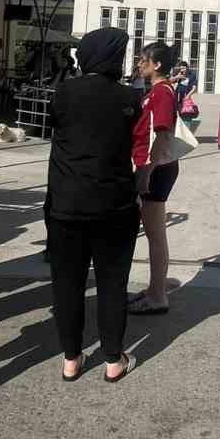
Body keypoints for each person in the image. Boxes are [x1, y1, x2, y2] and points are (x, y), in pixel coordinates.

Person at [46, 28, 142, 383]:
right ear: (114, 58)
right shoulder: (129, 97)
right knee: (112, 281)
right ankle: (113, 360)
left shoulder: (63, 93)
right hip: (114, 205)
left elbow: (55, 127)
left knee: (67, 282)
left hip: (66, 204)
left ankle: (71, 358)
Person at [129, 42, 180, 319]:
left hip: (156, 169)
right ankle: (154, 288)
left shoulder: (162, 92)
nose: (139, 64)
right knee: (154, 233)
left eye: (143, 60)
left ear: (156, 64)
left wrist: (146, 172)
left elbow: (161, 135)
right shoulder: (159, 90)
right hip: (155, 167)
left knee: (155, 235)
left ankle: (158, 295)